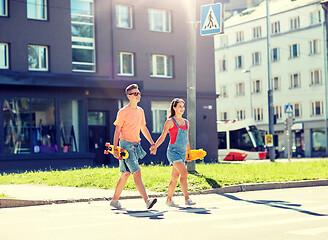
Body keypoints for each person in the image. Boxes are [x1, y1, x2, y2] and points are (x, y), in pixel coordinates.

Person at [110, 84, 157, 210]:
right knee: (137, 171)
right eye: (135, 93)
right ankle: (147, 201)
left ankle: (114, 201)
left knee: (125, 174)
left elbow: (143, 128)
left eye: (139, 93)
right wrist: (115, 148)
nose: (138, 95)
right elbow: (117, 130)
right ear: (129, 96)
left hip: (136, 145)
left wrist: (152, 143)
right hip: (126, 145)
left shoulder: (141, 111)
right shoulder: (123, 112)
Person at [154, 98, 196, 207]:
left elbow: (186, 139)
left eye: (183, 106)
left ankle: (168, 200)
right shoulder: (170, 122)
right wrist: (155, 146)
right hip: (173, 152)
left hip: (182, 152)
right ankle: (187, 199)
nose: (182, 109)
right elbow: (163, 137)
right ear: (174, 108)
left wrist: (188, 153)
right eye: (179, 106)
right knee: (184, 173)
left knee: (175, 177)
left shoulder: (186, 122)